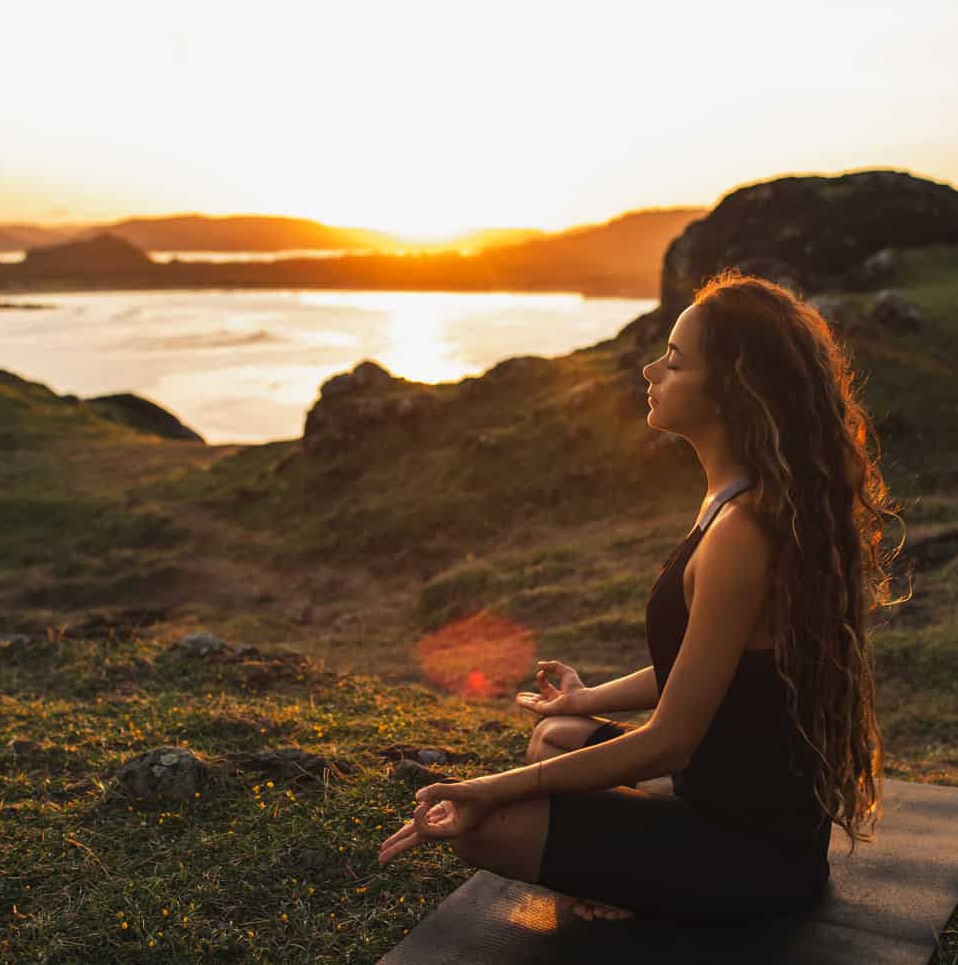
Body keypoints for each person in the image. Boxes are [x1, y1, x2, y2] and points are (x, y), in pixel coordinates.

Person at [377, 269, 904, 924]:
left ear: (730, 389)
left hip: (752, 854)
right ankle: (623, 869)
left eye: (676, 363)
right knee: (559, 731)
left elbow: (671, 740)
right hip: (708, 799)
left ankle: (645, 892)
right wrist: (586, 699)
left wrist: (486, 788)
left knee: (482, 828)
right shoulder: (733, 500)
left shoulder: (742, 532)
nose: (651, 370)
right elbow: (707, 672)